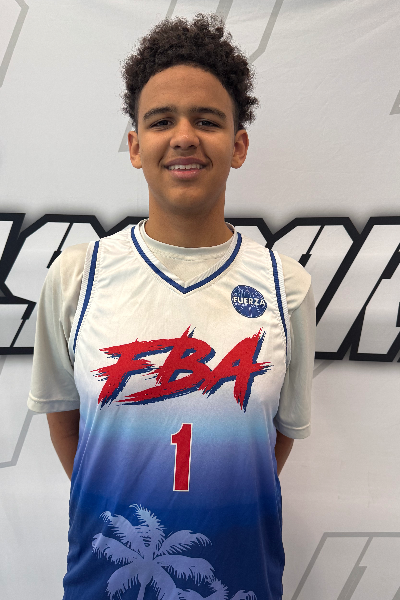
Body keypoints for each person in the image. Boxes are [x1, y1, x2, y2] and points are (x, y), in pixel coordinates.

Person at [28, 13, 315, 600]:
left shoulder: (286, 285)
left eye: (207, 120)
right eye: (161, 121)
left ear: (238, 146)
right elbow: (65, 423)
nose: (184, 136)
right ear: (136, 146)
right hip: (109, 577)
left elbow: (274, 444)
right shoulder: (77, 277)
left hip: (238, 582)